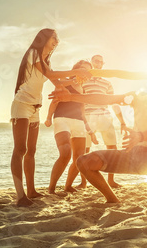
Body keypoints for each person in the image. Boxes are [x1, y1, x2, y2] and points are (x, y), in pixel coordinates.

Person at [49, 75, 147, 206]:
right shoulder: (139, 97)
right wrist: (71, 97)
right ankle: (112, 199)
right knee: (83, 161)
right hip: (130, 154)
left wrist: (140, 136)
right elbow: (106, 99)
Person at [10, 29, 91, 206]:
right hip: (22, 105)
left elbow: (58, 83)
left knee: (31, 151)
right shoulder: (33, 54)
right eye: (54, 37)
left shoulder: (46, 61)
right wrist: (76, 74)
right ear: (44, 38)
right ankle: (20, 195)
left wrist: (75, 81)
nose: (57, 40)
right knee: (20, 150)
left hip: (35, 108)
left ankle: (31, 191)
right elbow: (52, 75)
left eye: (57, 38)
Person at [45, 60, 98, 194]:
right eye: (84, 69)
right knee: (65, 152)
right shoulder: (64, 81)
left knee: (79, 158)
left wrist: (90, 130)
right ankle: (51, 188)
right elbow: (55, 100)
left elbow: (82, 111)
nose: (86, 73)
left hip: (79, 122)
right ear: (77, 69)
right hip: (62, 119)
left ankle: (68, 186)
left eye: (88, 71)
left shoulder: (84, 90)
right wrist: (48, 117)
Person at [78, 55, 127, 189]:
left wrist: (122, 121)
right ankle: (83, 183)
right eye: (96, 61)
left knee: (113, 149)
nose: (98, 63)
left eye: (101, 62)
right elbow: (79, 102)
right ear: (92, 63)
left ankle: (111, 181)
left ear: (103, 64)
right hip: (88, 118)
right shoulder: (83, 81)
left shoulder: (107, 83)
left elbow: (114, 103)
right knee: (84, 150)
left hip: (105, 117)